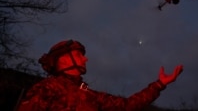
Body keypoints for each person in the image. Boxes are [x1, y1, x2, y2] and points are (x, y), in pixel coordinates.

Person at [17, 39, 183, 111]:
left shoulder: (87, 93)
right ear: (64, 58)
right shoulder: (46, 89)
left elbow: (126, 106)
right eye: (80, 54)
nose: (86, 58)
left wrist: (159, 84)